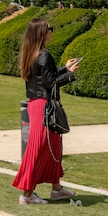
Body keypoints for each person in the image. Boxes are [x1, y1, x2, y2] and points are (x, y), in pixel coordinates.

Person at [12, 18, 80, 204]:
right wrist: (70, 75)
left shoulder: (31, 53)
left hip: (37, 104)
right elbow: (51, 84)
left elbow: (46, 77)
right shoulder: (44, 55)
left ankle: (56, 188)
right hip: (44, 105)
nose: (52, 31)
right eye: (50, 28)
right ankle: (27, 194)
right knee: (40, 147)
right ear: (42, 33)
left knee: (53, 145)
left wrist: (64, 69)